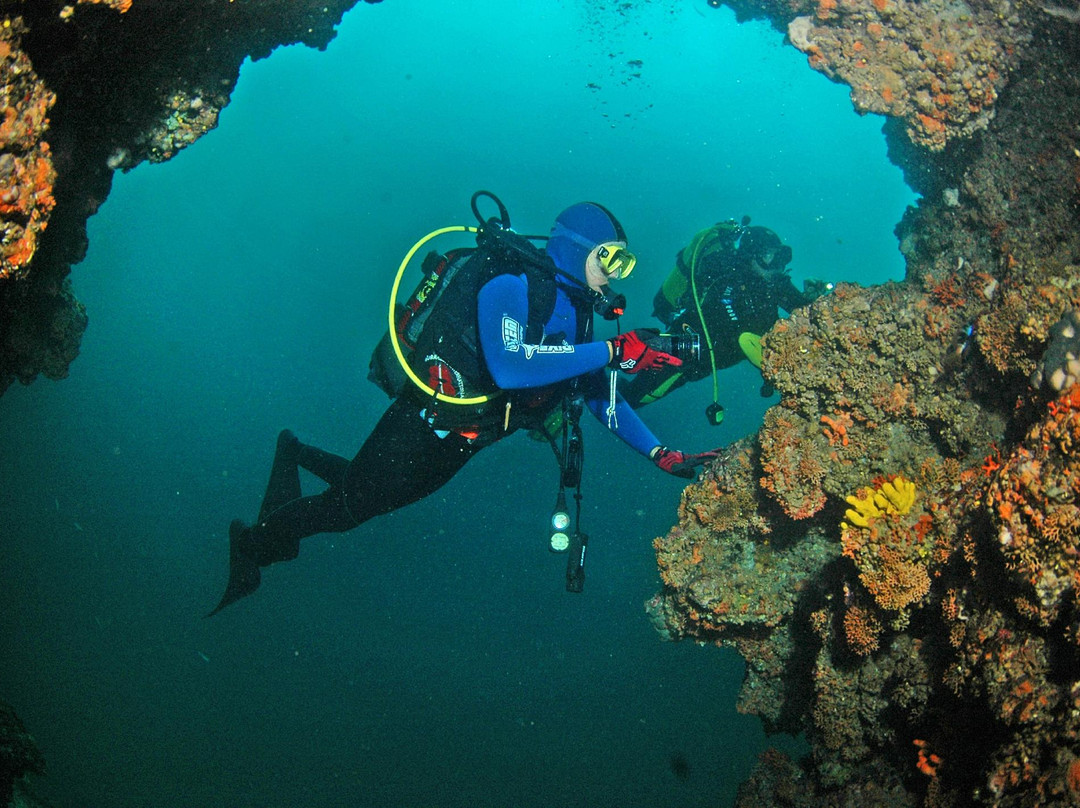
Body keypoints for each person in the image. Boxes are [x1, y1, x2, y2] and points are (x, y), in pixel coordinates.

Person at [209, 201, 720, 615]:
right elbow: (510, 368)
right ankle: (252, 543)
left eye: (622, 264)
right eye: (609, 259)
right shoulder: (509, 277)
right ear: (576, 248)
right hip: (425, 421)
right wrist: (614, 350)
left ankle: (295, 452)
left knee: (371, 498)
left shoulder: (578, 315)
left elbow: (596, 394)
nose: (613, 276)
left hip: (464, 440)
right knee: (348, 508)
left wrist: (660, 453)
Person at [621, 219, 827, 422]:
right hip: (686, 347)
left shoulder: (774, 283)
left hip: (706, 361)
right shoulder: (727, 278)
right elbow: (737, 329)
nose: (776, 266)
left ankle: (606, 377)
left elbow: (800, 311)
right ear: (751, 256)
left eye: (780, 257)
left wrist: (815, 302)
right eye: (768, 256)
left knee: (635, 389)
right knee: (634, 393)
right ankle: (600, 377)